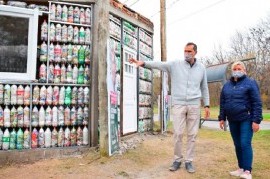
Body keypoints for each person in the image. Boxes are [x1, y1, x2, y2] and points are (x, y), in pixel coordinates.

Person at [129, 42, 210, 173]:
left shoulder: (201, 68)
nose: (187, 53)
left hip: (194, 104)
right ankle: (177, 159)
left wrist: (207, 105)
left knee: (192, 134)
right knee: (178, 133)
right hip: (178, 104)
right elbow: (159, 64)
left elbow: (204, 87)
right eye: (185, 51)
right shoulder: (175, 65)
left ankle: (189, 161)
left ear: (195, 52)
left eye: (189, 51)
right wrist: (143, 63)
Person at [218, 61, 262, 179]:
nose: (237, 71)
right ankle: (241, 168)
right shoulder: (227, 85)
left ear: (244, 70)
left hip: (246, 119)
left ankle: (247, 171)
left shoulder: (251, 83)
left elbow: (257, 103)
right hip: (233, 120)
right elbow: (223, 103)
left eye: (239, 68)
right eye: (235, 69)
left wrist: (256, 120)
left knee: (244, 143)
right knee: (237, 144)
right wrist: (222, 118)